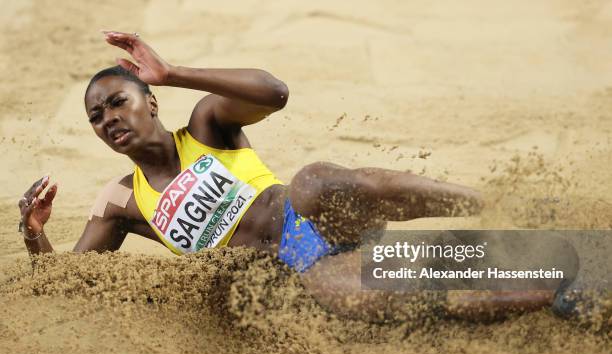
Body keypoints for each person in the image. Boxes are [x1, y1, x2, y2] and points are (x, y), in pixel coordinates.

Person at [17, 31, 563, 322]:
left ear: (150, 101)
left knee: (313, 182)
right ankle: (532, 299)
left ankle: (493, 204)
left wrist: (176, 71)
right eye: (96, 116)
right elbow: (70, 280)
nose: (108, 119)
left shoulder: (206, 126)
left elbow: (274, 92)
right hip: (299, 273)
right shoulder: (119, 202)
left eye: (118, 102)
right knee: (339, 293)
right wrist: (35, 231)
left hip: (322, 217)